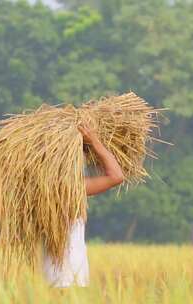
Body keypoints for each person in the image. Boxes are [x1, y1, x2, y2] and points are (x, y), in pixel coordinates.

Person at [42, 122, 125, 288]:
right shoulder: (68, 188)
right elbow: (117, 176)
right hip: (67, 278)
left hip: (51, 278)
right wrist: (95, 141)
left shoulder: (34, 189)